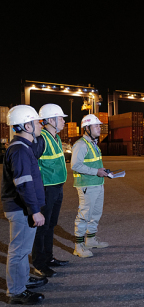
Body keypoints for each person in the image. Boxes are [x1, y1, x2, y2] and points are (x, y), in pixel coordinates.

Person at [2, 105, 47, 305]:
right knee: (19, 250)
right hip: (21, 208)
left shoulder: (24, 146)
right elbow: (24, 183)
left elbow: (39, 145)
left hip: (24, 207)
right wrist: (35, 210)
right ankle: (16, 292)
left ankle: (23, 280)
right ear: (27, 125)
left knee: (22, 249)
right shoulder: (19, 150)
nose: (41, 124)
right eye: (37, 122)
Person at [31, 104, 69, 278]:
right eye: (60, 118)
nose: (63, 121)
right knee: (42, 227)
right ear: (50, 120)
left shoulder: (57, 138)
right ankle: (39, 264)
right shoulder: (41, 139)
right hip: (46, 189)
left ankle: (49, 258)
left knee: (51, 225)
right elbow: (31, 165)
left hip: (57, 188)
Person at [71, 114, 109, 258]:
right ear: (87, 128)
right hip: (87, 185)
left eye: (99, 125)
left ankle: (90, 240)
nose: (100, 128)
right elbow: (75, 165)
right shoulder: (80, 144)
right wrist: (96, 171)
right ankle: (78, 246)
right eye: (96, 126)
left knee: (95, 214)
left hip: (97, 183)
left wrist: (103, 172)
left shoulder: (93, 143)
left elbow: (93, 163)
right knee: (84, 215)